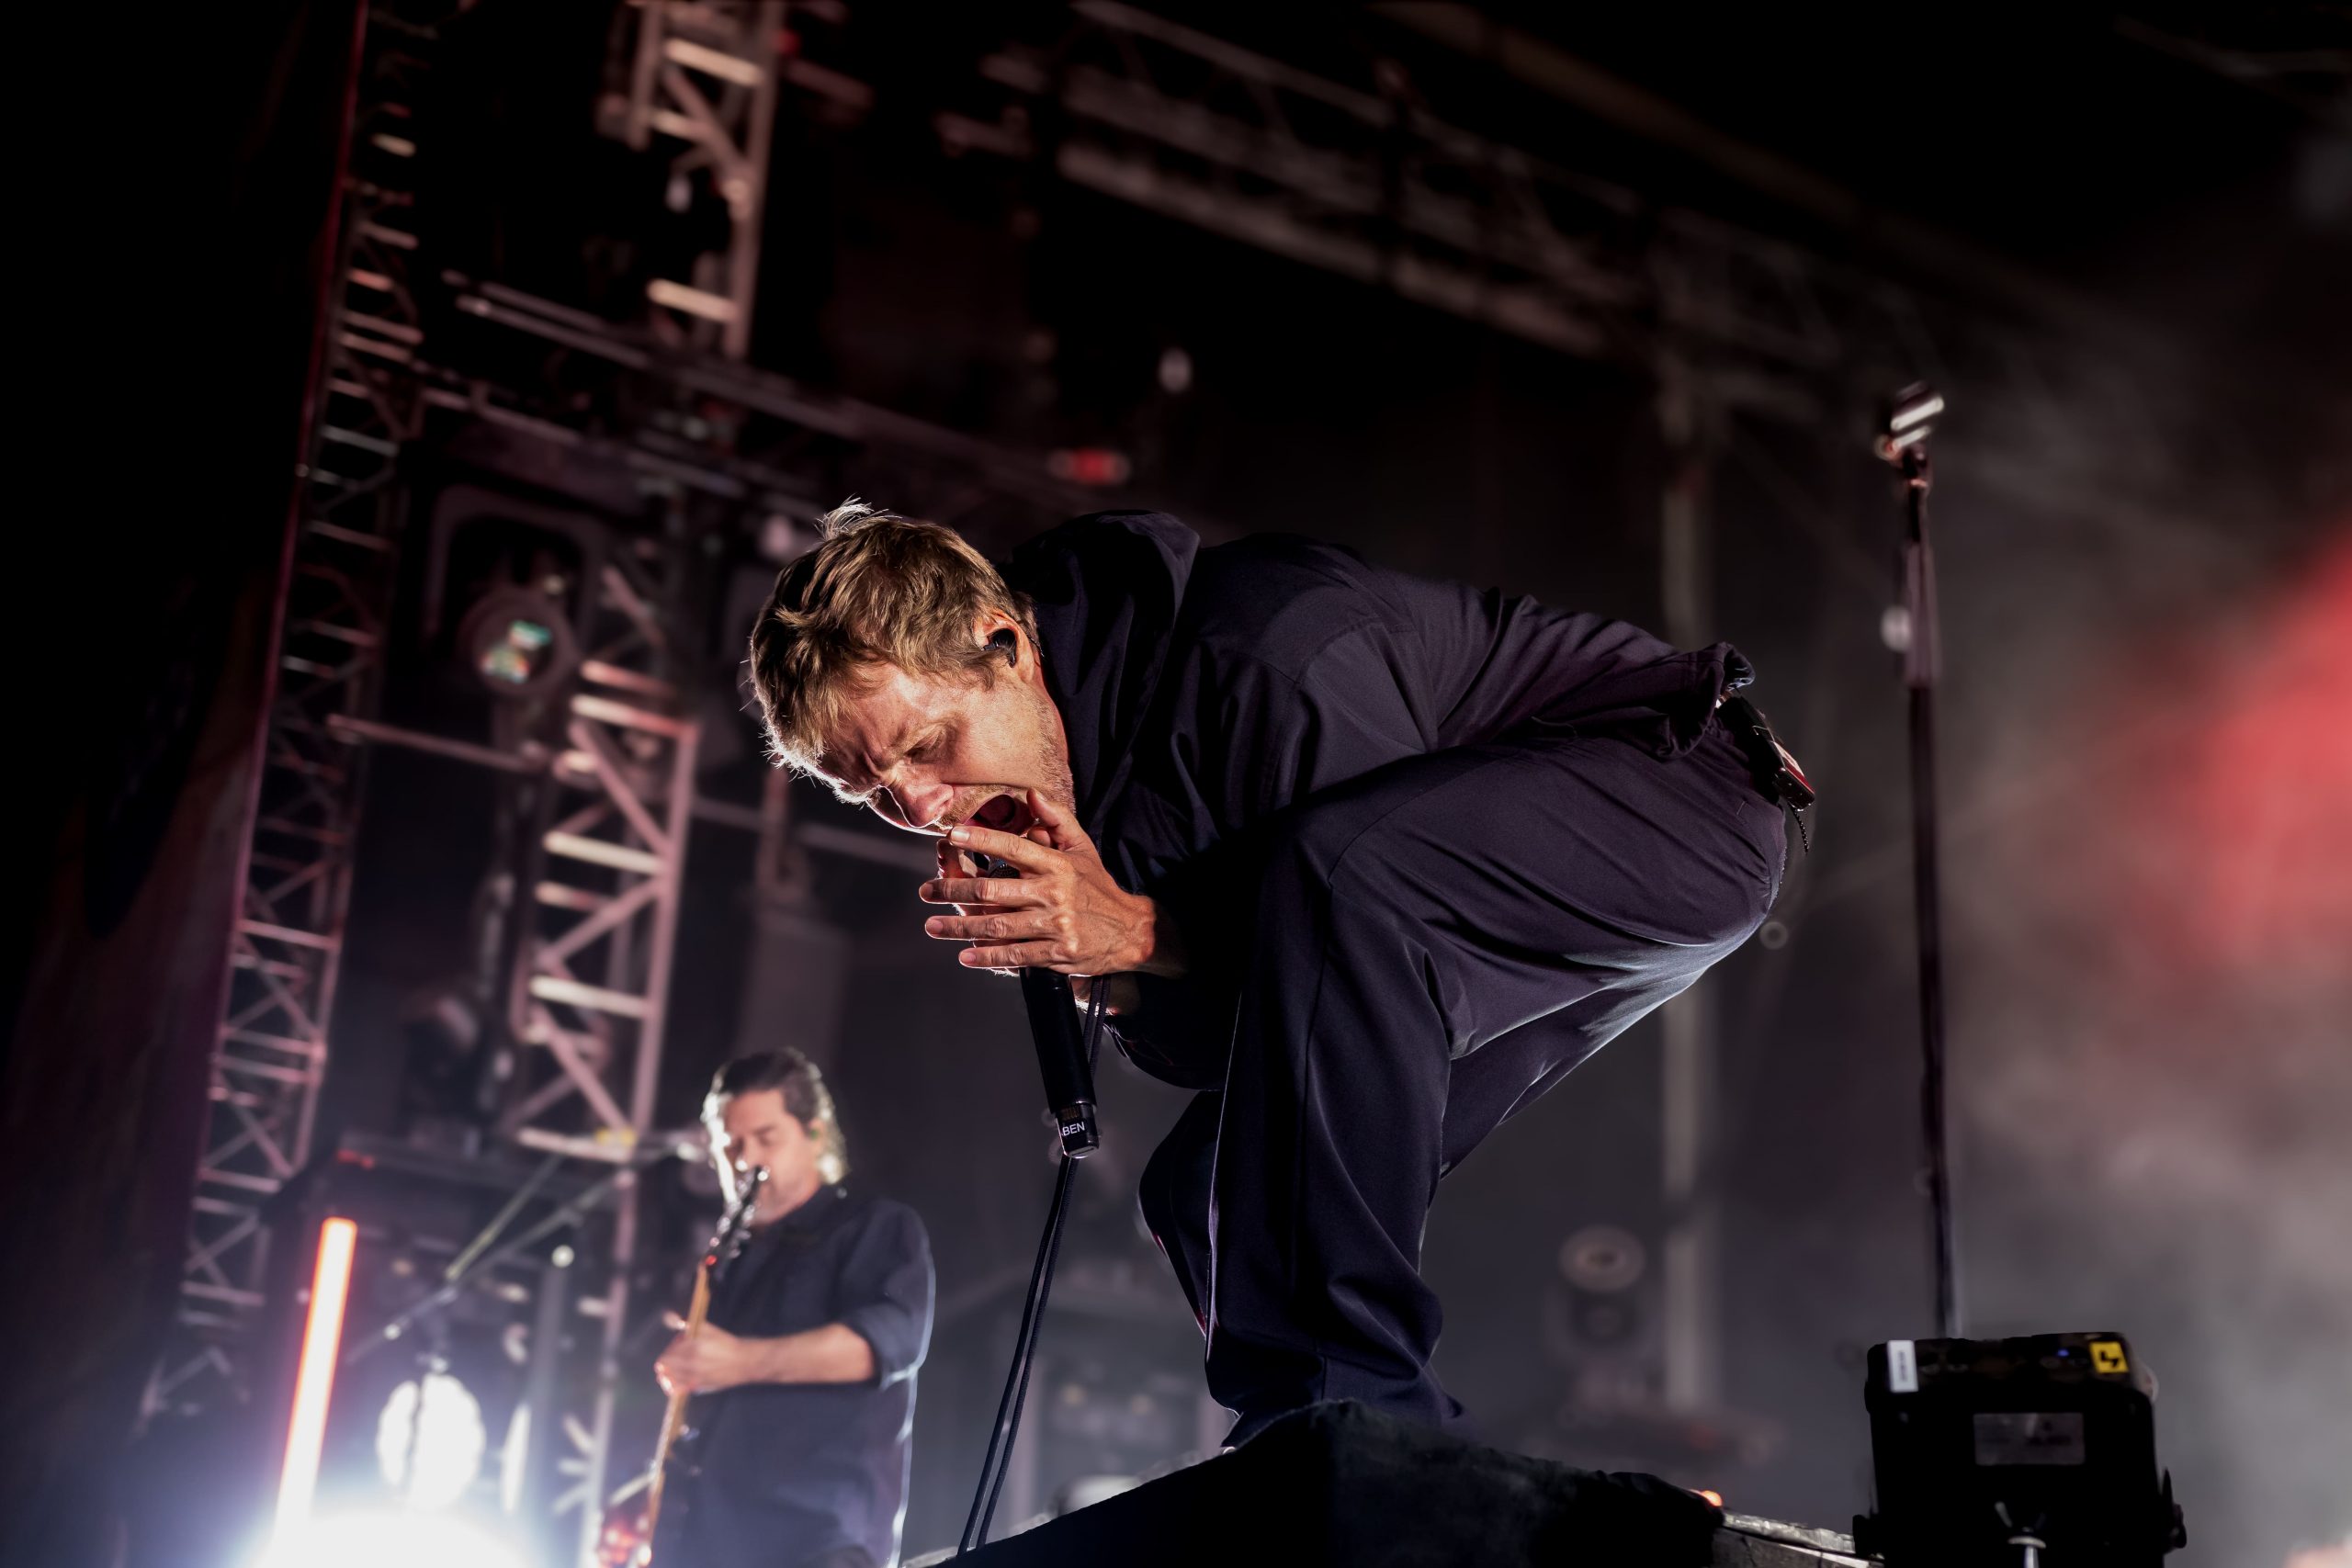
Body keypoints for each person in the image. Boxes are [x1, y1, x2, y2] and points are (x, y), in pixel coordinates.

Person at [746, 502, 1791, 1447]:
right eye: (876, 794)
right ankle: (1301, 1442)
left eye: (928, 744)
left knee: (1345, 881)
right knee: (1201, 1180)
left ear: (1007, 646)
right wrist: (1118, 963)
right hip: (1503, 898)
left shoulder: (1269, 656)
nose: (922, 805)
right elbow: (1268, 1034)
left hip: (1680, 791)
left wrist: (1140, 931)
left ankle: (1359, 1420)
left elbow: (1353, 912)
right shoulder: (1094, 803)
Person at [649, 1049, 933, 1568]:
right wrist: (650, 1497)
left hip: (815, 1543)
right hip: (708, 1544)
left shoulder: (873, 1226)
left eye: (767, 1138)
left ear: (815, 1135)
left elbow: (886, 1345)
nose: (746, 1161)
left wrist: (740, 1362)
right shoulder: (725, 1262)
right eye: (731, 1145)